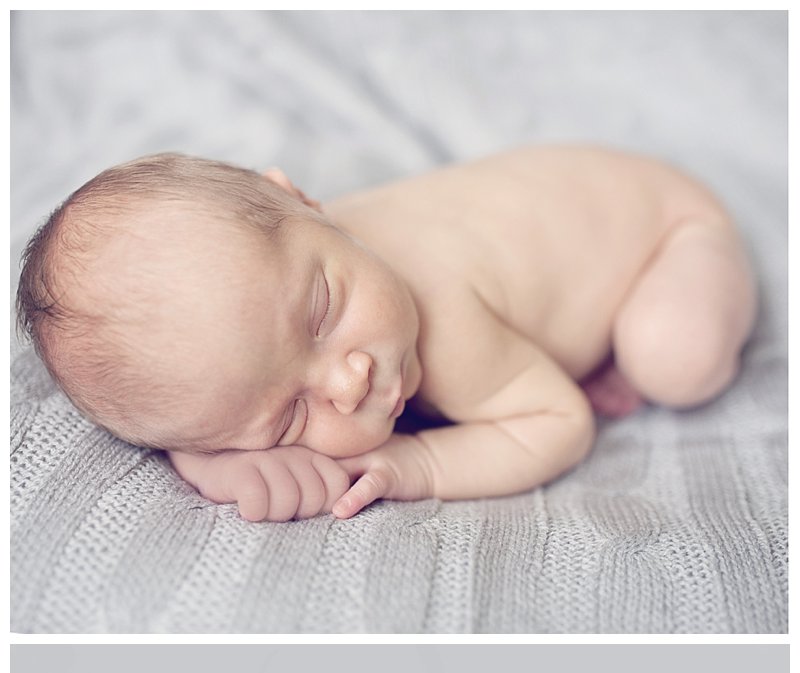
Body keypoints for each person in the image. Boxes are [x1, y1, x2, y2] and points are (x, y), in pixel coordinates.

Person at [17, 145, 757, 522]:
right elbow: (223, 390)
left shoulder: (443, 322)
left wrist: (421, 464)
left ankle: (630, 329)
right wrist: (208, 458)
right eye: (288, 417)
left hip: (663, 224)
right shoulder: (276, 283)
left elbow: (559, 424)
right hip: (573, 194)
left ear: (301, 199)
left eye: (322, 313)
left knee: (674, 360)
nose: (349, 381)